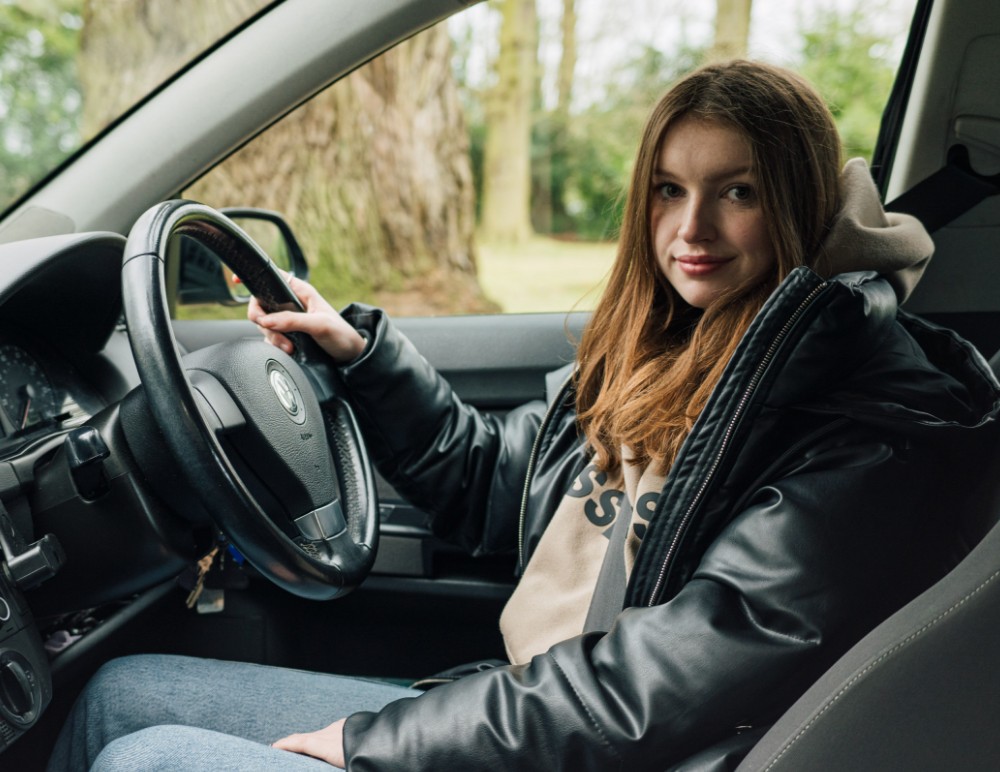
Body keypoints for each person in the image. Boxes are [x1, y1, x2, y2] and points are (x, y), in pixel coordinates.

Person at [50, 60, 1000, 771]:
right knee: (116, 697)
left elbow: (654, 687)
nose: (690, 230)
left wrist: (377, 744)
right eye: (670, 190)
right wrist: (364, 357)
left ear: (794, 202)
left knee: (147, 761)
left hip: (607, 751)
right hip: (524, 713)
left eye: (737, 192)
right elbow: (496, 489)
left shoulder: (866, 416)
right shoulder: (675, 345)